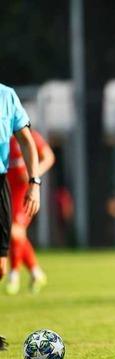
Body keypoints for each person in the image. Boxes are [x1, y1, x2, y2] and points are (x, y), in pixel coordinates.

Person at [5, 129, 55, 295]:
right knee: (16, 235)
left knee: (15, 232)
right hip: (7, 195)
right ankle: (36, 272)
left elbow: (49, 157)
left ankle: (14, 275)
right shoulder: (4, 139)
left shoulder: (29, 136)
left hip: (25, 195)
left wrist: (34, 174)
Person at [0, 83, 40, 282]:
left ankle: (30, 271)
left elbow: (29, 143)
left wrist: (35, 182)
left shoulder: (7, 96)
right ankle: (29, 272)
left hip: (6, 188)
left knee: (1, 266)